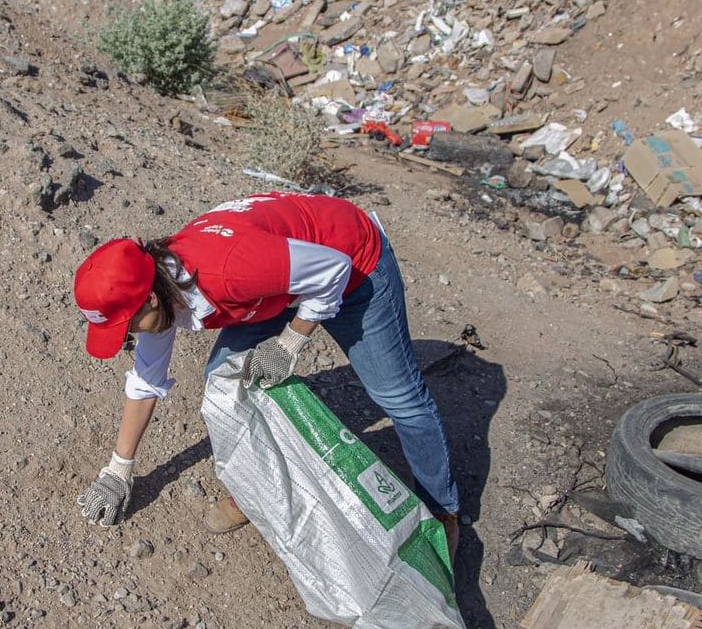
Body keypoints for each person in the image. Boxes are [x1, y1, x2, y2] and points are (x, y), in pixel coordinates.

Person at [72, 192, 461, 558]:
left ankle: (442, 511)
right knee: (227, 379)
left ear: (150, 299)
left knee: (398, 397)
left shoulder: (229, 271)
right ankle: (259, 489)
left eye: (127, 327)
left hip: (352, 262)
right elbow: (146, 381)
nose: (130, 337)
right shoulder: (160, 284)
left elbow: (333, 270)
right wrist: (119, 470)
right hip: (280, 280)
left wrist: (289, 342)